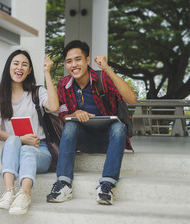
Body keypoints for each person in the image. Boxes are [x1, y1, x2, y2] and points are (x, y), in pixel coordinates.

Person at [46, 40, 137, 205]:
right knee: (70, 125)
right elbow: (62, 115)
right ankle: (63, 184)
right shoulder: (63, 85)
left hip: (109, 140)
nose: (74, 64)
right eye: (69, 61)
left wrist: (107, 69)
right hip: (83, 141)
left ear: (87, 61)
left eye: (78, 59)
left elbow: (131, 99)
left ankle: (106, 185)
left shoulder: (103, 78)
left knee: (118, 127)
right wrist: (74, 114)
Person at [0, 50, 59, 214]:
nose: (19, 67)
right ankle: (8, 192)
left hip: (39, 150)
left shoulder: (37, 92)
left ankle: (25, 194)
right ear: (9, 67)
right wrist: (20, 139)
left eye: (24, 64)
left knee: (27, 149)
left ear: (29, 71)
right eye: (16, 63)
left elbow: (54, 106)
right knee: (13, 140)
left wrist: (47, 72)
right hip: (12, 152)